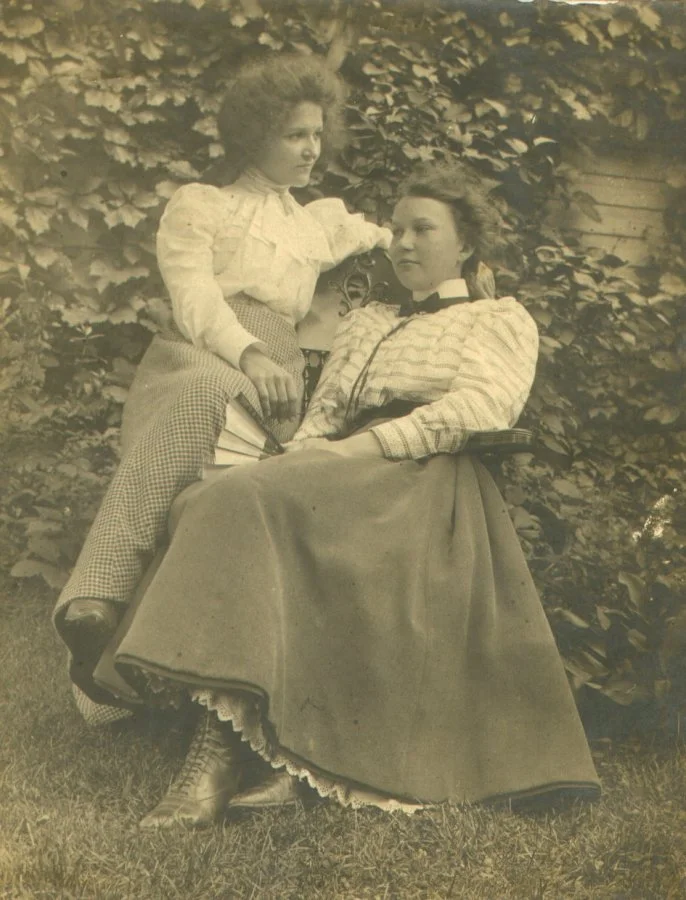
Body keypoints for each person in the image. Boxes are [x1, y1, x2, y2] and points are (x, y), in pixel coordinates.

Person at [95, 158, 601, 828]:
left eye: (423, 229)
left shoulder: (497, 319)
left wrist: (356, 451)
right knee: (215, 495)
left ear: (465, 244)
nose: (404, 243)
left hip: (426, 481)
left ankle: (216, 762)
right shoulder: (366, 321)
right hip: (342, 469)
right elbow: (326, 413)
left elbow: (479, 407)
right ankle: (259, 745)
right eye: (397, 229)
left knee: (243, 500)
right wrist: (297, 462)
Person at [52, 53, 392, 694]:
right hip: (198, 352)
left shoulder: (316, 223)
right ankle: (97, 596)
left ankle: (119, 624)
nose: (311, 149)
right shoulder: (202, 205)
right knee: (205, 391)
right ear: (255, 135)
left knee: (230, 433)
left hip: (278, 371)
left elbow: (394, 239)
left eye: (317, 134)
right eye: (295, 135)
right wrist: (248, 353)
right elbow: (195, 298)